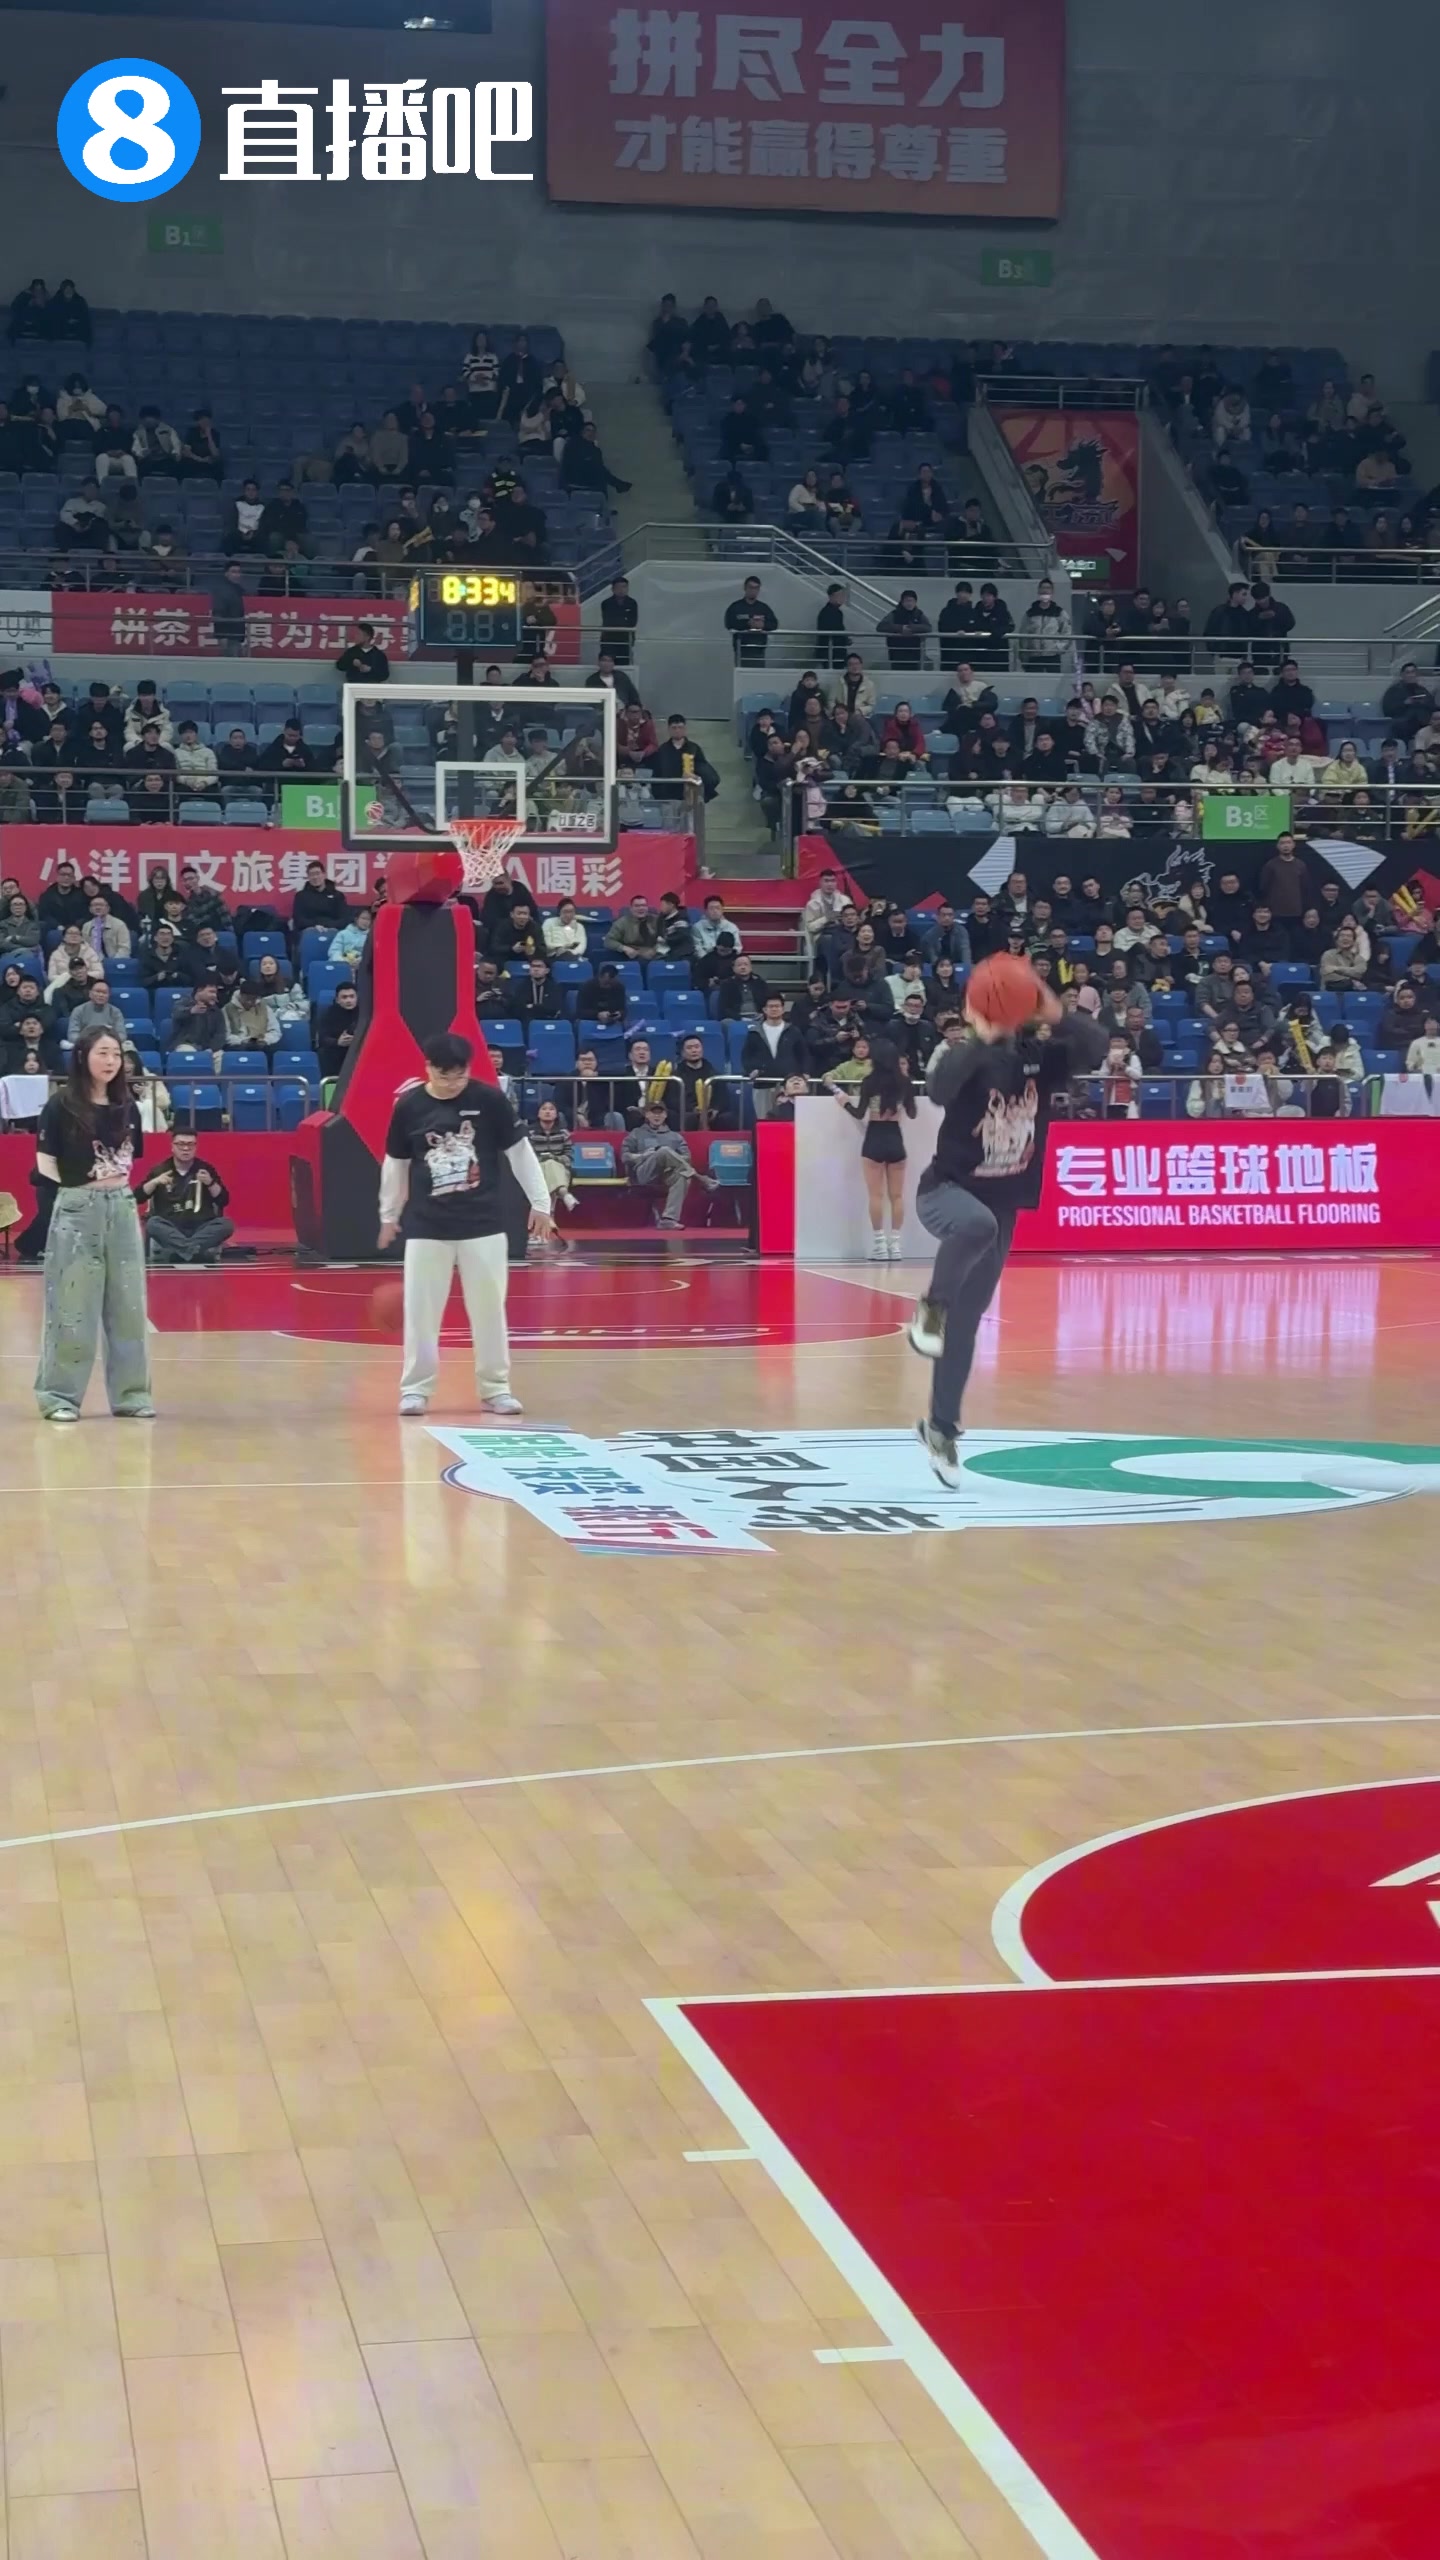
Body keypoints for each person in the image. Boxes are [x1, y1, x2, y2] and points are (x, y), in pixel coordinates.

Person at [908, 984, 1109, 1484]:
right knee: (976, 1225)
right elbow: (937, 1089)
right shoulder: (966, 1056)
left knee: (968, 1323)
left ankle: (941, 1427)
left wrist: (1057, 1013)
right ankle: (931, 1307)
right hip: (945, 1193)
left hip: (1002, 1205)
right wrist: (982, 1036)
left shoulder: (1041, 1057)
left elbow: (1096, 1048)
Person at [378, 1032, 553, 1417]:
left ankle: (496, 1388)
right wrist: (389, 1214)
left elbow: (520, 1153)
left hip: (483, 1224)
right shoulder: (409, 1106)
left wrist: (541, 1203)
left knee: (490, 1309)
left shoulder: (489, 1101)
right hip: (427, 1226)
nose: (453, 1083)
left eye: (460, 1075)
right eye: (445, 1076)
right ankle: (415, 1389)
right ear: (428, 1068)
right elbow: (396, 1164)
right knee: (421, 1313)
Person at [33, 1029, 153, 1423]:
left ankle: (132, 1395)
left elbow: (132, 1157)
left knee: (129, 1305)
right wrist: (72, 1194)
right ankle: (59, 1396)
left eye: (116, 1054)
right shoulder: (61, 1104)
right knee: (72, 1305)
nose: (111, 1061)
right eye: (103, 1053)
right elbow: (46, 1162)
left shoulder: (127, 1106)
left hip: (121, 1205)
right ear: (83, 1055)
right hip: (76, 1206)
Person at [835, 1037, 915, 1260]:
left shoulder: (869, 1082)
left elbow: (859, 1113)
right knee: (897, 1196)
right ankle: (895, 1245)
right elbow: (912, 1113)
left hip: (874, 1138)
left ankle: (879, 1245)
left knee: (875, 1195)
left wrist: (844, 1102)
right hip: (895, 1138)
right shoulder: (905, 1083)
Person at [139, 1132, 235, 1264]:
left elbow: (223, 1200)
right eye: (181, 1144)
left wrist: (210, 1183)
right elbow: (138, 1197)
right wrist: (154, 1182)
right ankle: (193, 1252)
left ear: (195, 1147)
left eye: (190, 1144)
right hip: (172, 1228)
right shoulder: (160, 1170)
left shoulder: (205, 1169)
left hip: (201, 1227)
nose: (185, 1148)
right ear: (172, 1147)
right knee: (153, 1223)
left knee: (226, 1225)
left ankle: (181, 1251)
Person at [622, 1101, 718, 1228]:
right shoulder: (636, 1133)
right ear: (646, 1115)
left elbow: (687, 1158)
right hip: (644, 1174)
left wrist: (670, 1158)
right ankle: (700, 1178)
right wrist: (644, 1155)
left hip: (666, 1175)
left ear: (665, 1115)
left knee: (681, 1175)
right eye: (653, 1113)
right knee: (663, 1151)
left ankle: (668, 1219)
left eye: (660, 1113)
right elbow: (625, 1156)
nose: (657, 1116)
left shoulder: (675, 1137)